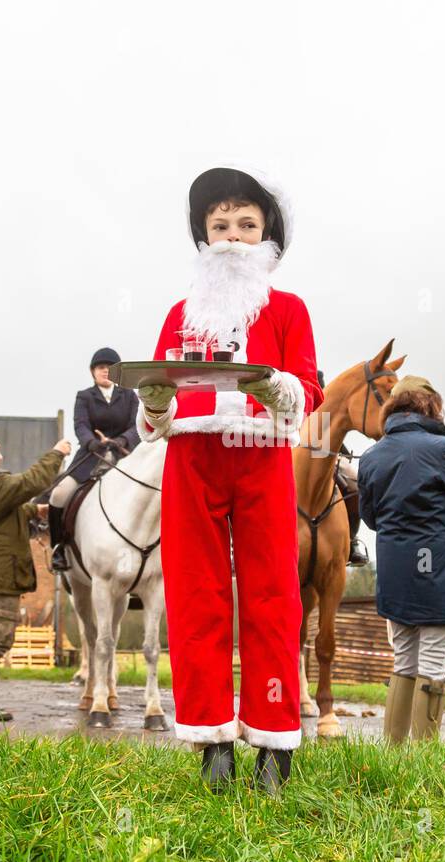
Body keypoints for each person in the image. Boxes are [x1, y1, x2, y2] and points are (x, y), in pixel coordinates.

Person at [135, 166, 321, 794]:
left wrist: (277, 387)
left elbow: (308, 390)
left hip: (261, 454)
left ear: (266, 236)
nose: (234, 238)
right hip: (194, 457)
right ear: (204, 236)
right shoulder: (181, 313)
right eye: (221, 226)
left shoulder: (289, 309)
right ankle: (212, 738)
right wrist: (156, 404)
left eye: (247, 226)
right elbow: (155, 403)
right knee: (196, 593)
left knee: (273, 593)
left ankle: (274, 742)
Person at [357, 376, 445, 743]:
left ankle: (394, 753)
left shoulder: (371, 457)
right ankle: (424, 759)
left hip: (395, 573)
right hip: (438, 571)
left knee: (403, 659)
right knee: (433, 663)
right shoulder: (441, 448)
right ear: (431, 406)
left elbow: (370, 517)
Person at [0, 427, 72, 720]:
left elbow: (0, 514)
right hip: (0, 574)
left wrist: (34, 512)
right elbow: (32, 481)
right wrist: (57, 453)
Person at [49, 347, 141, 572]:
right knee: (58, 494)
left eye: (110, 368)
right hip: (92, 455)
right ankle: (59, 547)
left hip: (124, 456)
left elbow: (137, 426)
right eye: (101, 368)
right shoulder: (85, 396)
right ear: (93, 372)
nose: (105, 371)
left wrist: (122, 440)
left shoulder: (130, 396)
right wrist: (91, 442)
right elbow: (80, 424)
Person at [317, 369, 369, 567]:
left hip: (325, 450)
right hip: (289, 449)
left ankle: (352, 540)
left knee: (354, 483)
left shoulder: (318, 378)